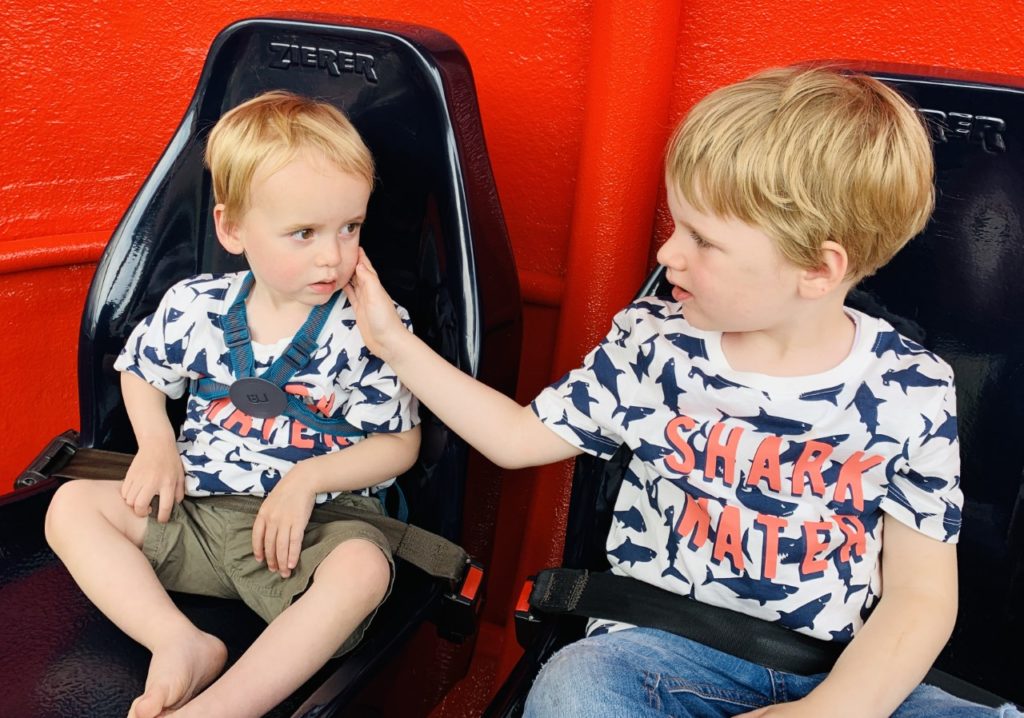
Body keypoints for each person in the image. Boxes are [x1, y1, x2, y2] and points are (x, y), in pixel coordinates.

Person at [344, 67, 1022, 717]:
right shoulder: (655, 347)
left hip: (842, 671)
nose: (668, 255)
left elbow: (921, 598)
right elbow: (517, 440)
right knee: (575, 687)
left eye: (703, 239)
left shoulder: (912, 388)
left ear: (818, 269)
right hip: (660, 659)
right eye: (678, 227)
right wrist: (392, 341)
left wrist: (832, 710)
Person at [44, 90, 421, 718]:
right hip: (193, 508)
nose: (333, 255)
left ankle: (225, 708)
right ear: (232, 228)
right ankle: (179, 642)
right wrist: (158, 445)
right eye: (303, 233)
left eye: (349, 227)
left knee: (363, 571)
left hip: (307, 528)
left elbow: (400, 444)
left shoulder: (370, 326)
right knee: (71, 506)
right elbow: (142, 372)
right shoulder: (196, 305)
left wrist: (309, 480)